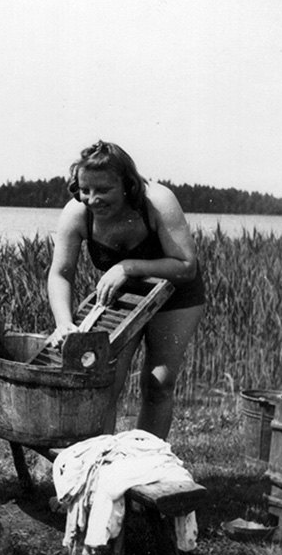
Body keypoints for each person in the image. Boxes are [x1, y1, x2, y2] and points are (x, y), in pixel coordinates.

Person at [47, 140, 205, 439]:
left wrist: (127, 266)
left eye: (103, 190)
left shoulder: (157, 201)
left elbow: (187, 266)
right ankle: (101, 459)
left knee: (158, 384)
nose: (92, 199)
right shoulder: (76, 213)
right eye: (85, 189)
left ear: (127, 185)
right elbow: (60, 273)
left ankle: (145, 458)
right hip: (121, 299)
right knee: (104, 385)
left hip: (176, 293)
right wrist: (63, 322)